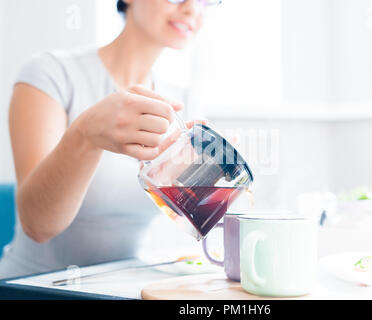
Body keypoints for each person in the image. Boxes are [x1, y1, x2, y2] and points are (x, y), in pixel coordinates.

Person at [0, 0, 217, 279]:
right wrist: (85, 135)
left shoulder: (183, 103)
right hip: (31, 288)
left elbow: (197, 224)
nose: (192, 9)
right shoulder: (50, 74)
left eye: (206, 1)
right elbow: (39, 226)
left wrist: (207, 184)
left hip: (123, 288)